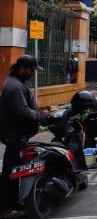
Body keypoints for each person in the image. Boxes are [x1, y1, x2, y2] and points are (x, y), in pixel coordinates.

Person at [0, 55, 50, 218]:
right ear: (22, 69)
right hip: (14, 135)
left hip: (17, 135)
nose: (32, 74)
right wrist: (40, 116)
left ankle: (14, 202)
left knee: (16, 170)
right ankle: (5, 209)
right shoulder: (14, 86)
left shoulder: (15, 82)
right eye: (31, 70)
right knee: (10, 172)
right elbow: (22, 111)